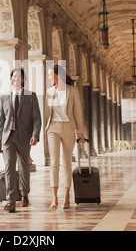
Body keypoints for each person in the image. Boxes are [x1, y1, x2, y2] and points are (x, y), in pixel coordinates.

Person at [0, 68, 42, 213]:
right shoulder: (3, 97)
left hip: (25, 137)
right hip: (8, 137)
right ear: (11, 79)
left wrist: (35, 135)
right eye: (14, 76)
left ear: (23, 79)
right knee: (9, 167)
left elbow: (37, 118)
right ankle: (11, 200)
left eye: (19, 76)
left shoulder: (31, 96)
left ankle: (24, 194)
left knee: (24, 166)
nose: (16, 78)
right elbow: (1, 121)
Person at [45, 64, 85, 210]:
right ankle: (54, 198)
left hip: (68, 127)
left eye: (51, 75)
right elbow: (47, 113)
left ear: (58, 75)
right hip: (53, 128)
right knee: (54, 163)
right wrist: (45, 132)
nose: (49, 78)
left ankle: (67, 196)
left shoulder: (72, 91)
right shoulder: (50, 92)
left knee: (66, 163)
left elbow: (78, 112)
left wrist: (80, 131)